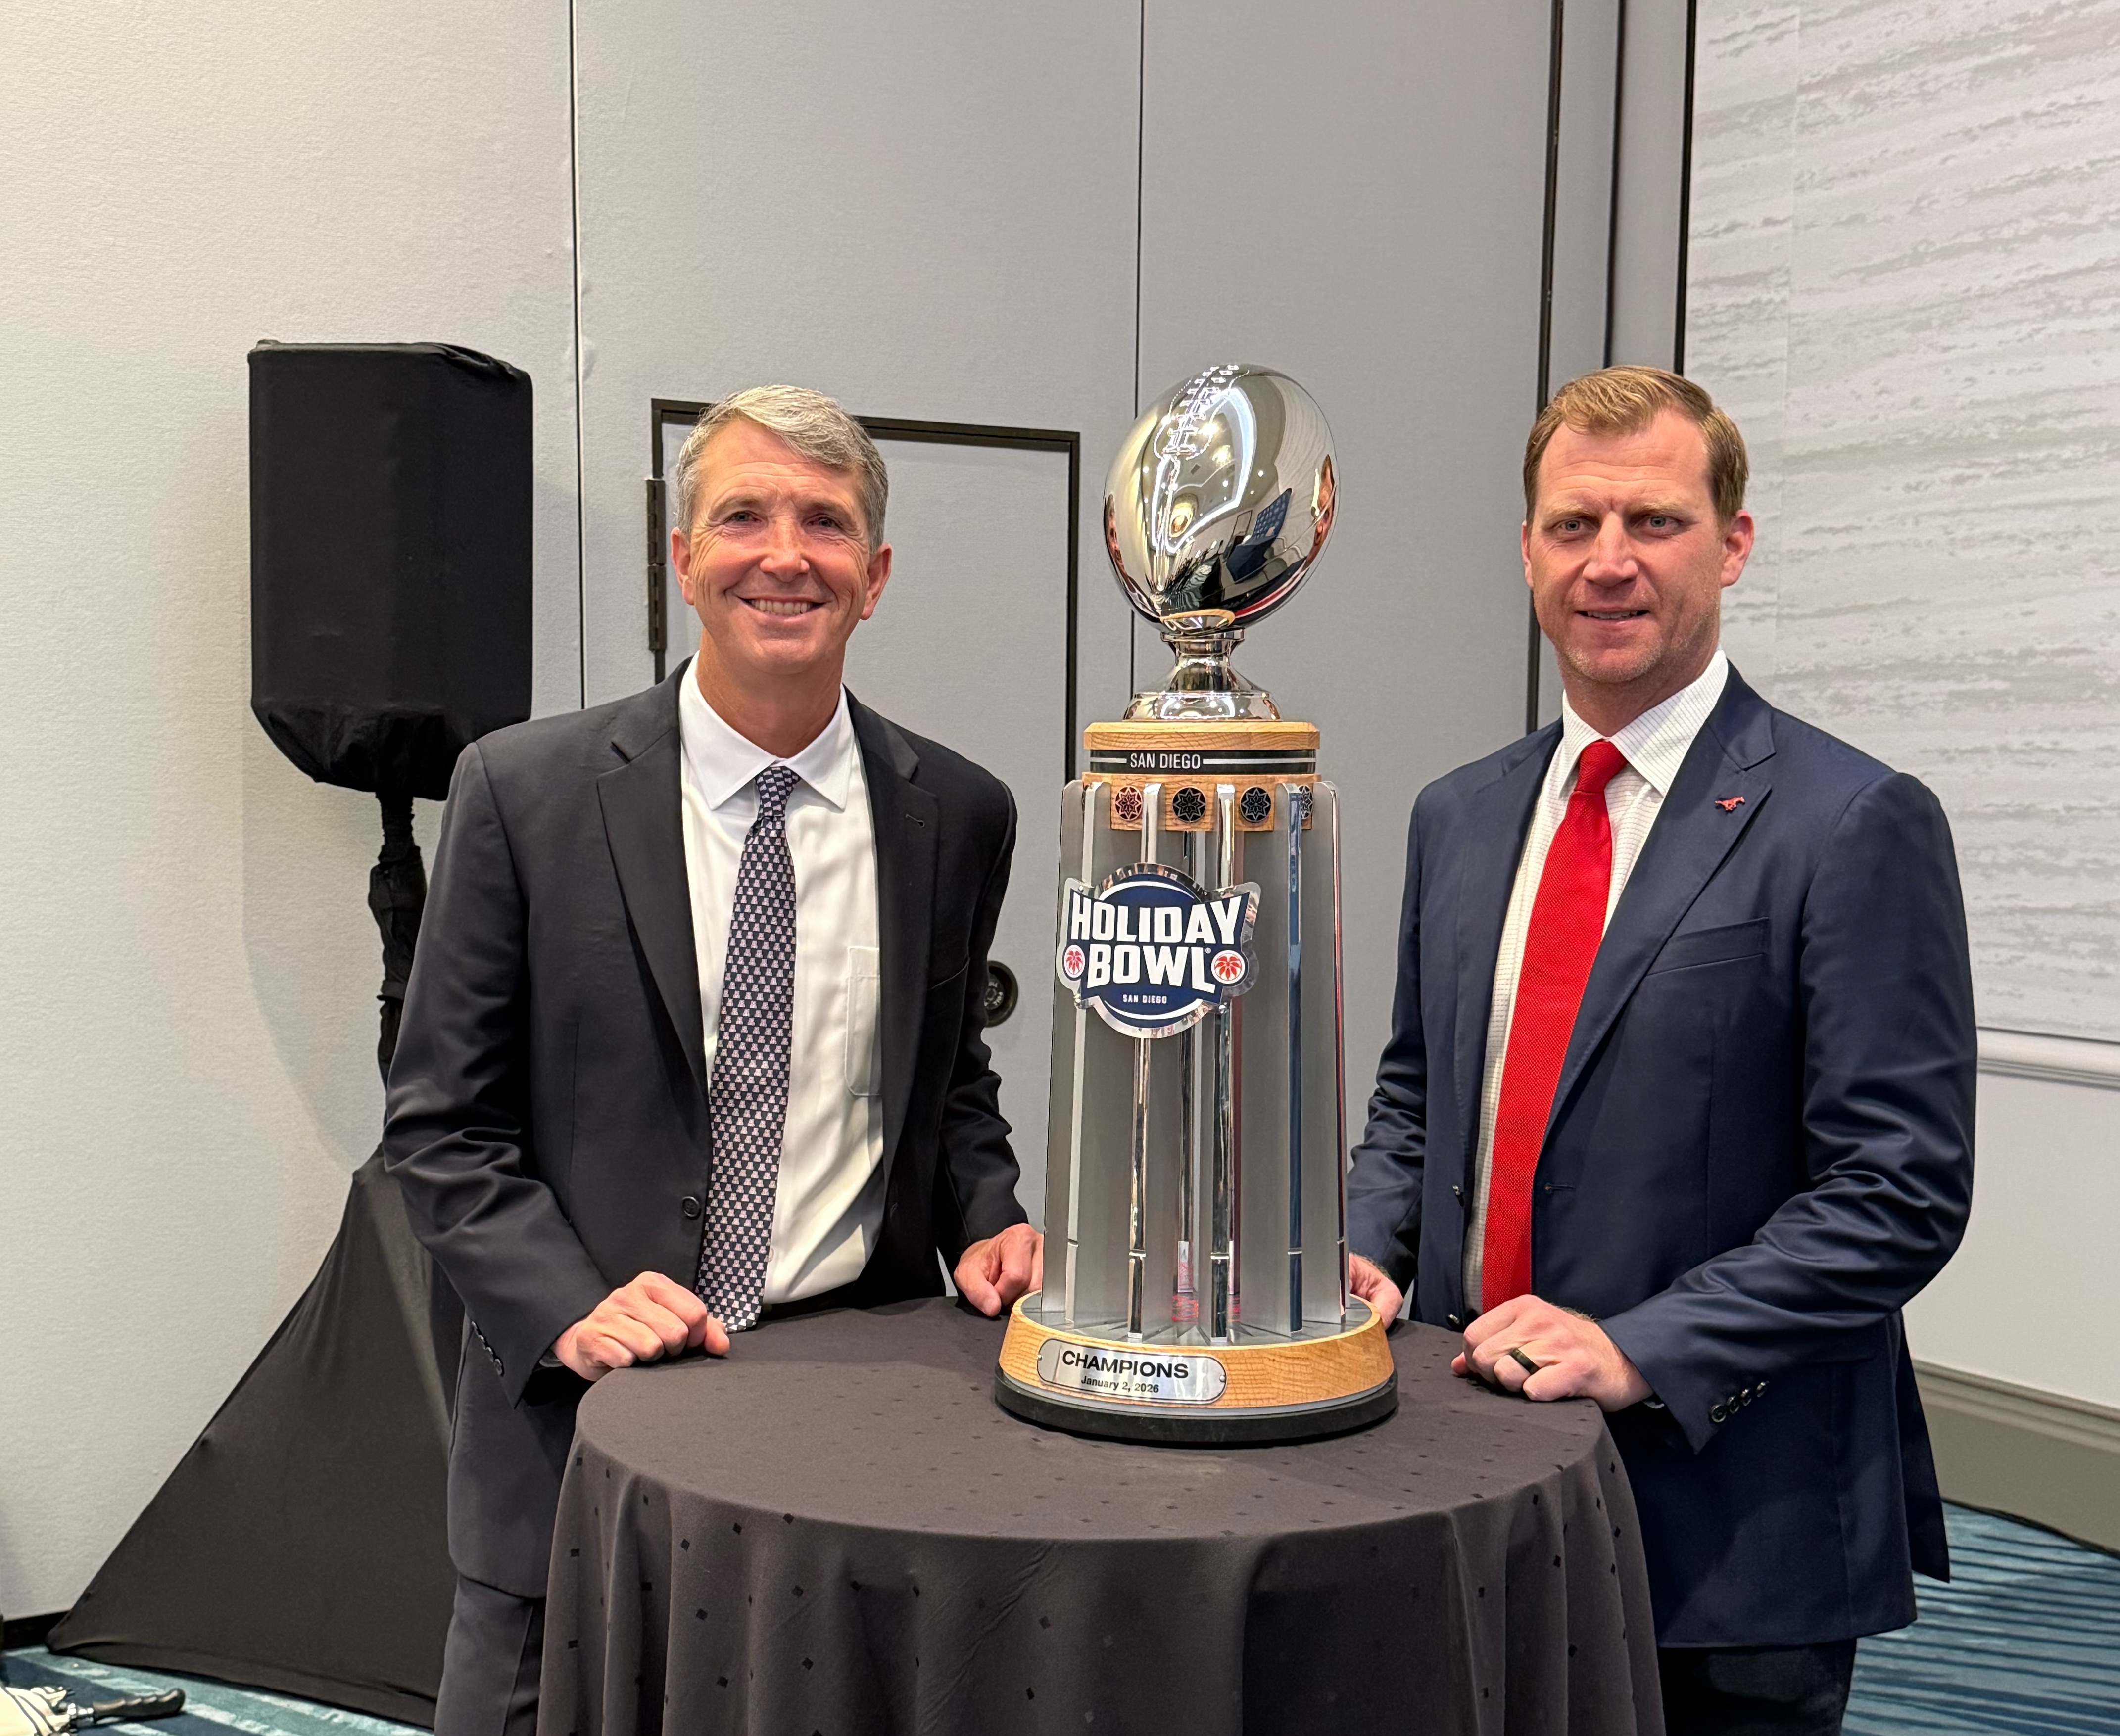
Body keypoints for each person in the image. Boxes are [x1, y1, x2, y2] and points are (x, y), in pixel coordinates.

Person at [384, 386, 1042, 1736]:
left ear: (877, 575)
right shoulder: (524, 792)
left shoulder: (958, 813)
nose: (783, 553)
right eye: (741, 514)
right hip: (584, 1419)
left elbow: (946, 1082)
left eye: (826, 522)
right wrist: (569, 1304)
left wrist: (991, 1212)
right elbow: (442, 1126)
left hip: (858, 1412)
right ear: (680, 558)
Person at [1344, 367, 1974, 1736]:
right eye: (1572, 526)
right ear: (1524, 550)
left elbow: (1897, 1189)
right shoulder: (1457, 815)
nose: (1608, 563)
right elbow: (1415, 1099)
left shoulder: (1851, 821)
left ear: (1732, 543)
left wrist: (1639, 1346)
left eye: (1654, 522)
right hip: (1462, 1461)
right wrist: (1364, 1238)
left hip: (1725, 1512)